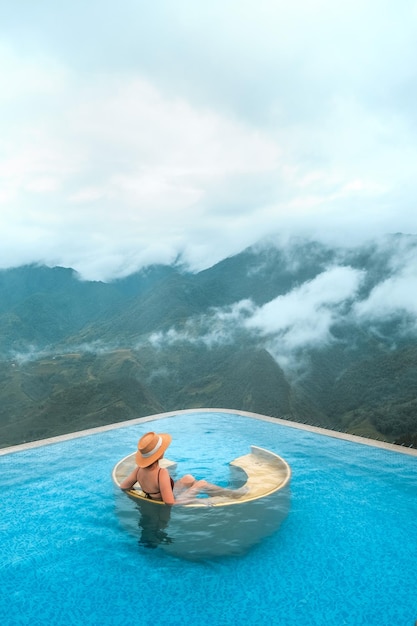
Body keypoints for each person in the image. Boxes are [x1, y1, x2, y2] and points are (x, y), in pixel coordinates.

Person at [119, 431, 245, 505]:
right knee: (201, 483)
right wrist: (196, 500)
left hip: (162, 494)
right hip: (174, 499)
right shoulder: (161, 472)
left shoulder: (138, 470)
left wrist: (145, 492)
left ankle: (228, 494)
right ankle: (232, 494)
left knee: (189, 478)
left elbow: (124, 486)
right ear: (160, 453)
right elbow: (170, 502)